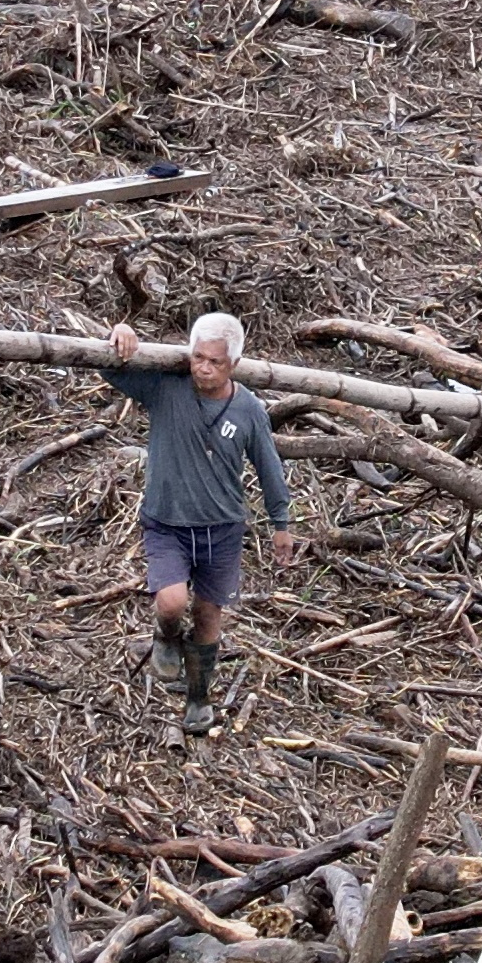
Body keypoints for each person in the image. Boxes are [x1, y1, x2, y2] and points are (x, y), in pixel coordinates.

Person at [103, 314, 297, 735]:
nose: (204, 368)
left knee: (209, 613)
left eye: (215, 362)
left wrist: (280, 522)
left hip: (223, 527)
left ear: (235, 363)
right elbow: (109, 368)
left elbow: (268, 468)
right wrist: (118, 335)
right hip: (167, 521)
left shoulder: (247, 410)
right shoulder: (164, 388)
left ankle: (198, 697)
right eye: (198, 358)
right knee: (172, 601)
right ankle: (165, 633)